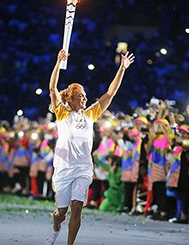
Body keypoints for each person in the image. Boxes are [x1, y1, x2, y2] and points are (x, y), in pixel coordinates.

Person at [44, 49, 134, 245]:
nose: (85, 99)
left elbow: (110, 93)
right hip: (64, 169)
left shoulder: (90, 115)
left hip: (84, 168)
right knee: (61, 213)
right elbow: (52, 89)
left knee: (77, 206)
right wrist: (59, 63)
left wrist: (122, 69)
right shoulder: (62, 114)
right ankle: (56, 226)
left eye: (85, 96)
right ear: (70, 99)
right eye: (81, 96)